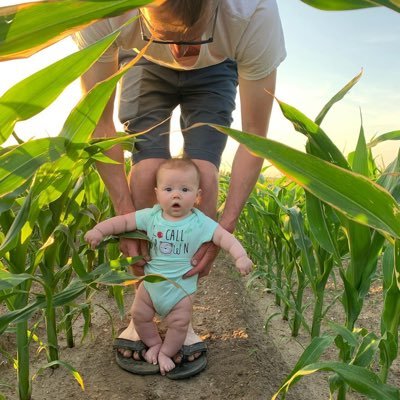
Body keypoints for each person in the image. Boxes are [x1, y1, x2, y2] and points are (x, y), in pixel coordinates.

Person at [74, 0, 285, 377]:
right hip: (141, 59)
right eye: (167, 38)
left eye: (192, 40)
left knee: (202, 176)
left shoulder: (252, 14)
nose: (180, 53)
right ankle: (143, 304)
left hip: (218, 67)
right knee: (145, 173)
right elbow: (99, 125)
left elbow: (255, 136)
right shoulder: (102, 10)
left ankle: (181, 320)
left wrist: (222, 231)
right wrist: (127, 216)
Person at [84, 158, 253, 377]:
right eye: (168, 189)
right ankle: (153, 344)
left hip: (181, 289)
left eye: (185, 189)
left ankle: (166, 352)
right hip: (151, 285)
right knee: (139, 314)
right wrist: (99, 231)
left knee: (179, 324)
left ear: (197, 195)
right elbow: (123, 222)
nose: (176, 195)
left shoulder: (201, 222)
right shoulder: (151, 216)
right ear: (157, 193)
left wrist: (240, 256)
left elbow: (224, 237)